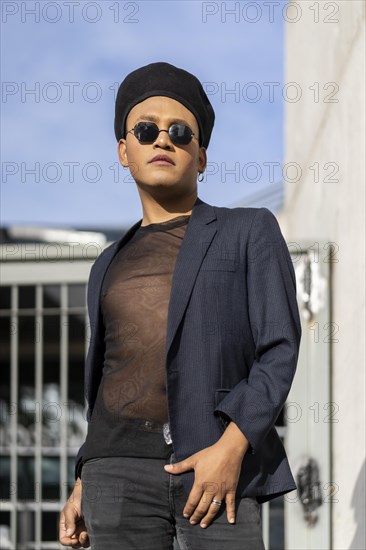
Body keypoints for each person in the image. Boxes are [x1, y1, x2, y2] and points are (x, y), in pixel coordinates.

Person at [59, 61, 301, 550]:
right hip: (115, 475)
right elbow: (112, 376)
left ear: (202, 155)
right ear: (124, 151)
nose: (163, 140)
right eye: (146, 130)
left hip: (214, 468)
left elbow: (279, 349)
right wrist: (86, 476)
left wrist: (232, 447)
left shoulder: (249, 231)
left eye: (180, 132)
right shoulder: (106, 264)